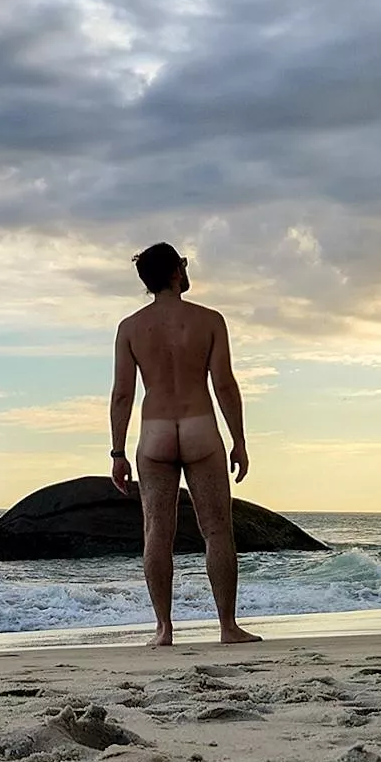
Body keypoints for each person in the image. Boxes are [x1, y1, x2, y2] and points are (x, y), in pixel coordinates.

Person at [109, 241, 260, 648]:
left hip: (155, 430)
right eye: (184, 264)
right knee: (216, 530)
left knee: (157, 532)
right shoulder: (209, 321)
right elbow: (224, 384)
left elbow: (122, 393)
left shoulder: (131, 328)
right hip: (200, 428)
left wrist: (117, 451)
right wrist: (239, 440)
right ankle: (227, 626)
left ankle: (164, 629)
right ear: (177, 271)